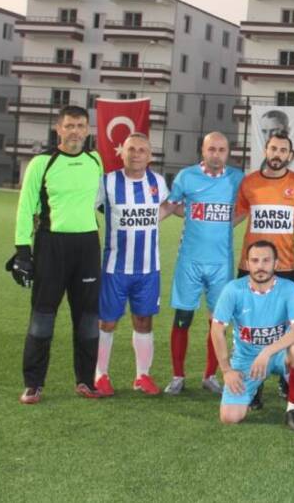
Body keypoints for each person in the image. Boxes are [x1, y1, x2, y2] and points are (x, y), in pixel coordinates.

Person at [12, 105, 104, 403]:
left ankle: (86, 381)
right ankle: (33, 383)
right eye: (69, 126)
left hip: (87, 246)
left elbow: (102, 202)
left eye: (80, 126)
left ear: (87, 130)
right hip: (51, 246)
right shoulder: (42, 163)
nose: (75, 131)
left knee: (88, 319)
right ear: (58, 129)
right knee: (42, 317)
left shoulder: (95, 160)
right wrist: (22, 252)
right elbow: (26, 207)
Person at [234, 131, 294, 406]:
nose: (277, 154)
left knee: (287, 325)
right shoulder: (249, 182)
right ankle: (253, 384)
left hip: (285, 264)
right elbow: (240, 213)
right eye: (273, 148)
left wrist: (287, 227)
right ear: (265, 151)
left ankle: (286, 378)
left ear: (290, 155)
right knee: (250, 327)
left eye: (283, 150)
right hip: (251, 265)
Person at [163, 132, 244, 396]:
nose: (216, 155)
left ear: (228, 152)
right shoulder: (186, 176)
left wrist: (225, 224)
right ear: (203, 150)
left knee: (217, 322)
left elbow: (245, 208)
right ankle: (178, 376)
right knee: (182, 318)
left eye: (221, 150)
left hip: (221, 263)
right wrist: (145, 223)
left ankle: (210, 375)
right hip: (190, 261)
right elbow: (171, 206)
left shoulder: (237, 179)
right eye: (212, 149)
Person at [93, 133, 173, 396]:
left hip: (148, 268)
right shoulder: (107, 181)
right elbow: (90, 207)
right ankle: (100, 375)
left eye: (141, 150)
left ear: (149, 156)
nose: (136, 154)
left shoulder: (157, 182)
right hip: (115, 268)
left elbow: (165, 207)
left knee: (144, 321)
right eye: (131, 149)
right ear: (122, 153)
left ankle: (142, 376)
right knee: (107, 322)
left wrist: (151, 220)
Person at [211, 241, 294, 431]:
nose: (260, 266)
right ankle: (257, 385)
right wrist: (226, 370)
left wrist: (267, 352)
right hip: (247, 358)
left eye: (266, 260)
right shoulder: (233, 289)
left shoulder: (288, 288)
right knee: (230, 417)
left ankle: (293, 409)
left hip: (280, 353)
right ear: (247, 264)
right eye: (255, 260)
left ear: (276, 263)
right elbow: (217, 330)